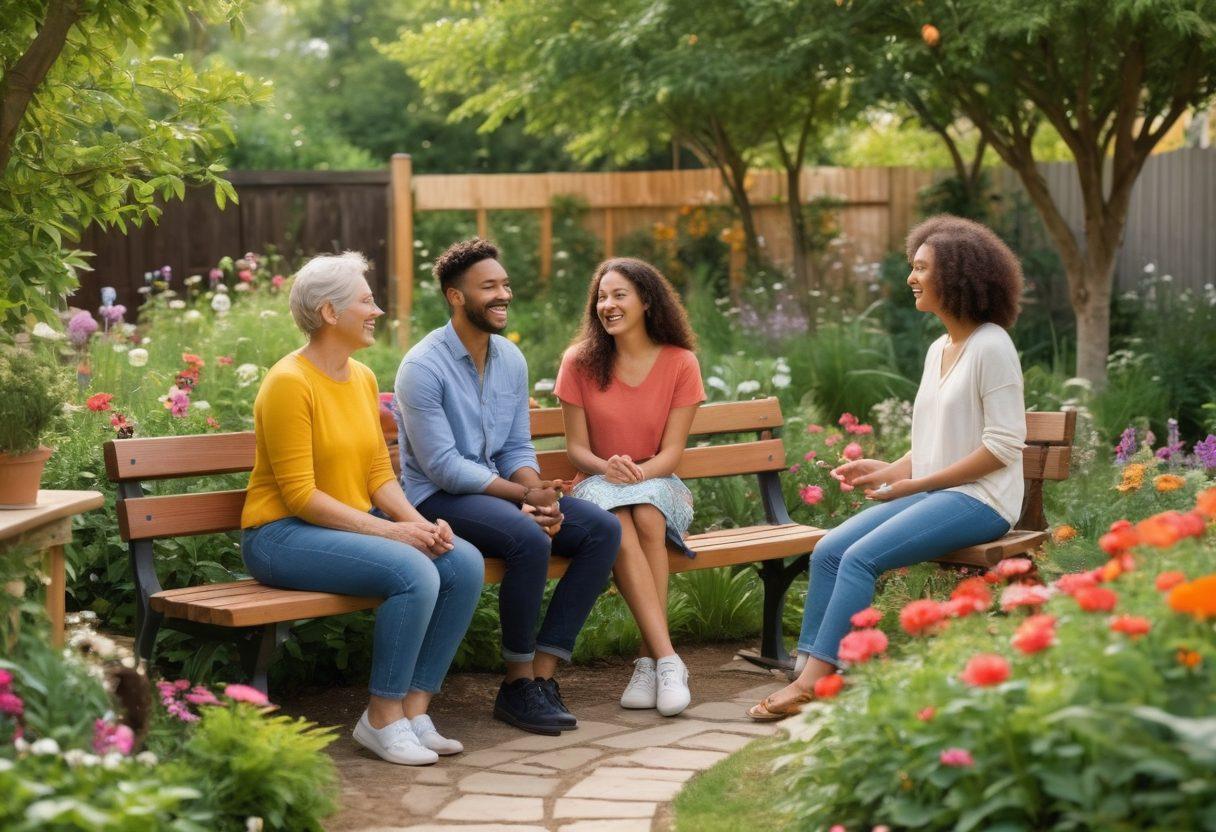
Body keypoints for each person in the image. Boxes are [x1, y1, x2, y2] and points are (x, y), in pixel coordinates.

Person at [749, 215, 1027, 720]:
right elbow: (937, 444)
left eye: (921, 268)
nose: (911, 278)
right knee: (830, 548)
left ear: (958, 277)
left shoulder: (992, 346)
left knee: (860, 559)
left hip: (983, 500)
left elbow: (1003, 448)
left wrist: (917, 484)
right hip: (942, 493)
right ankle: (809, 669)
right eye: (912, 266)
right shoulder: (939, 348)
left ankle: (817, 683)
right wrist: (889, 470)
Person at [240, 252, 484, 765]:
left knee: (461, 560)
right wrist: (395, 537)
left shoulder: (364, 378)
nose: (376, 310)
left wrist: (420, 525)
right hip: (280, 535)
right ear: (329, 312)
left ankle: (414, 711)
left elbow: (377, 474)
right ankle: (380, 717)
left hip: (341, 527)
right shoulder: (290, 382)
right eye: (366, 301)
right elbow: (300, 496)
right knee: (414, 571)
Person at [394, 238, 621, 736]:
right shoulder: (421, 367)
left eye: (505, 285)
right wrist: (523, 500)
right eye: (489, 287)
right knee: (527, 538)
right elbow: (444, 468)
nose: (503, 295)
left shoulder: (510, 359)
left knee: (601, 530)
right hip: (437, 499)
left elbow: (517, 446)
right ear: (456, 296)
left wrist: (538, 493)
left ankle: (542, 677)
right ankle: (517, 685)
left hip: (495, 490)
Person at [554, 258, 705, 716]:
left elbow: (672, 453)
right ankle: (664, 660)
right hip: (597, 481)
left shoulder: (681, 363)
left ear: (646, 300)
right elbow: (577, 449)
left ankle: (648, 660)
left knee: (645, 514)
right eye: (602, 296)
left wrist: (638, 474)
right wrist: (608, 467)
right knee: (618, 518)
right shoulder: (579, 361)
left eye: (619, 295)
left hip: (659, 480)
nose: (608, 304)